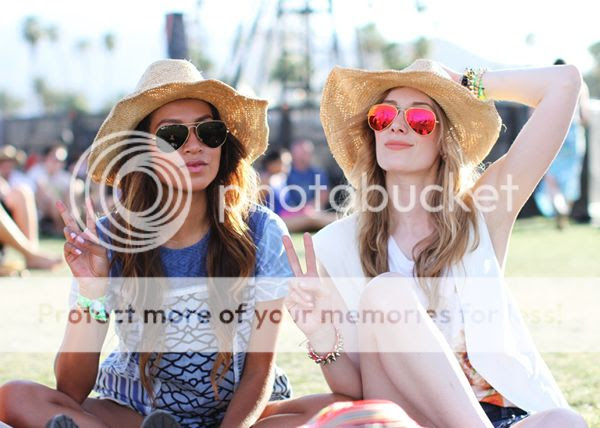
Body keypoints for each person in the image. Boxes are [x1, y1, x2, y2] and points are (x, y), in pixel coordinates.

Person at [0, 59, 338, 427]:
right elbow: (71, 389)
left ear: (222, 143)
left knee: (343, 408)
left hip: (240, 415)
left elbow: (259, 371)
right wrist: (92, 294)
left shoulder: (261, 230)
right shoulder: (109, 238)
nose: (194, 146)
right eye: (172, 136)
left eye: (208, 131)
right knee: (15, 396)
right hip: (136, 412)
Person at [282, 59, 588, 427]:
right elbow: (356, 388)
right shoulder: (335, 246)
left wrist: (464, 83)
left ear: (444, 140)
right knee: (386, 291)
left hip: (501, 416)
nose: (397, 125)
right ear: (372, 133)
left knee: (564, 422)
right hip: (410, 419)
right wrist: (319, 333)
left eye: (420, 119)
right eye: (383, 116)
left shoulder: (482, 212)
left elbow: (564, 83)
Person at [534, 58, 591, 229]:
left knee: (551, 178)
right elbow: (585, 116)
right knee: (571, 177)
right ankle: (565, 209)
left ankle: (559, 207)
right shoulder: (581, 85)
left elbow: (534, 114)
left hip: (553, 132)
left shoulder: (548, 85)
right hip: (573, 133)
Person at [0, 145, 61, 270]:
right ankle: (31, 255)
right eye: (3, 161)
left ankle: (32, 254)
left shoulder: (16, 177)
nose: (7, 165)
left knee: (22, 192)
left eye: (9, 162)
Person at [280, 139, 337, 233]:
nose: (304, 156)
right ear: (293, 154)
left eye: (307, 153)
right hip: (290, 215)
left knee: (316, 217)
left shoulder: (318, 173)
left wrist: (310, 207)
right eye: (301, 153)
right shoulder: (285, 173)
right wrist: (298, 210)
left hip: (313, 213)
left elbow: (323, 196)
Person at [27, 144, 75, 235]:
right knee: (55, 199)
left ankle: (68, 228)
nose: (59, 163)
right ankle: (61, 228)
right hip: (40, 209)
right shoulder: (35, 172)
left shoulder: (63, 176)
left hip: (56, 208)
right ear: (46, 158)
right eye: (56, 159)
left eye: (62, 160)